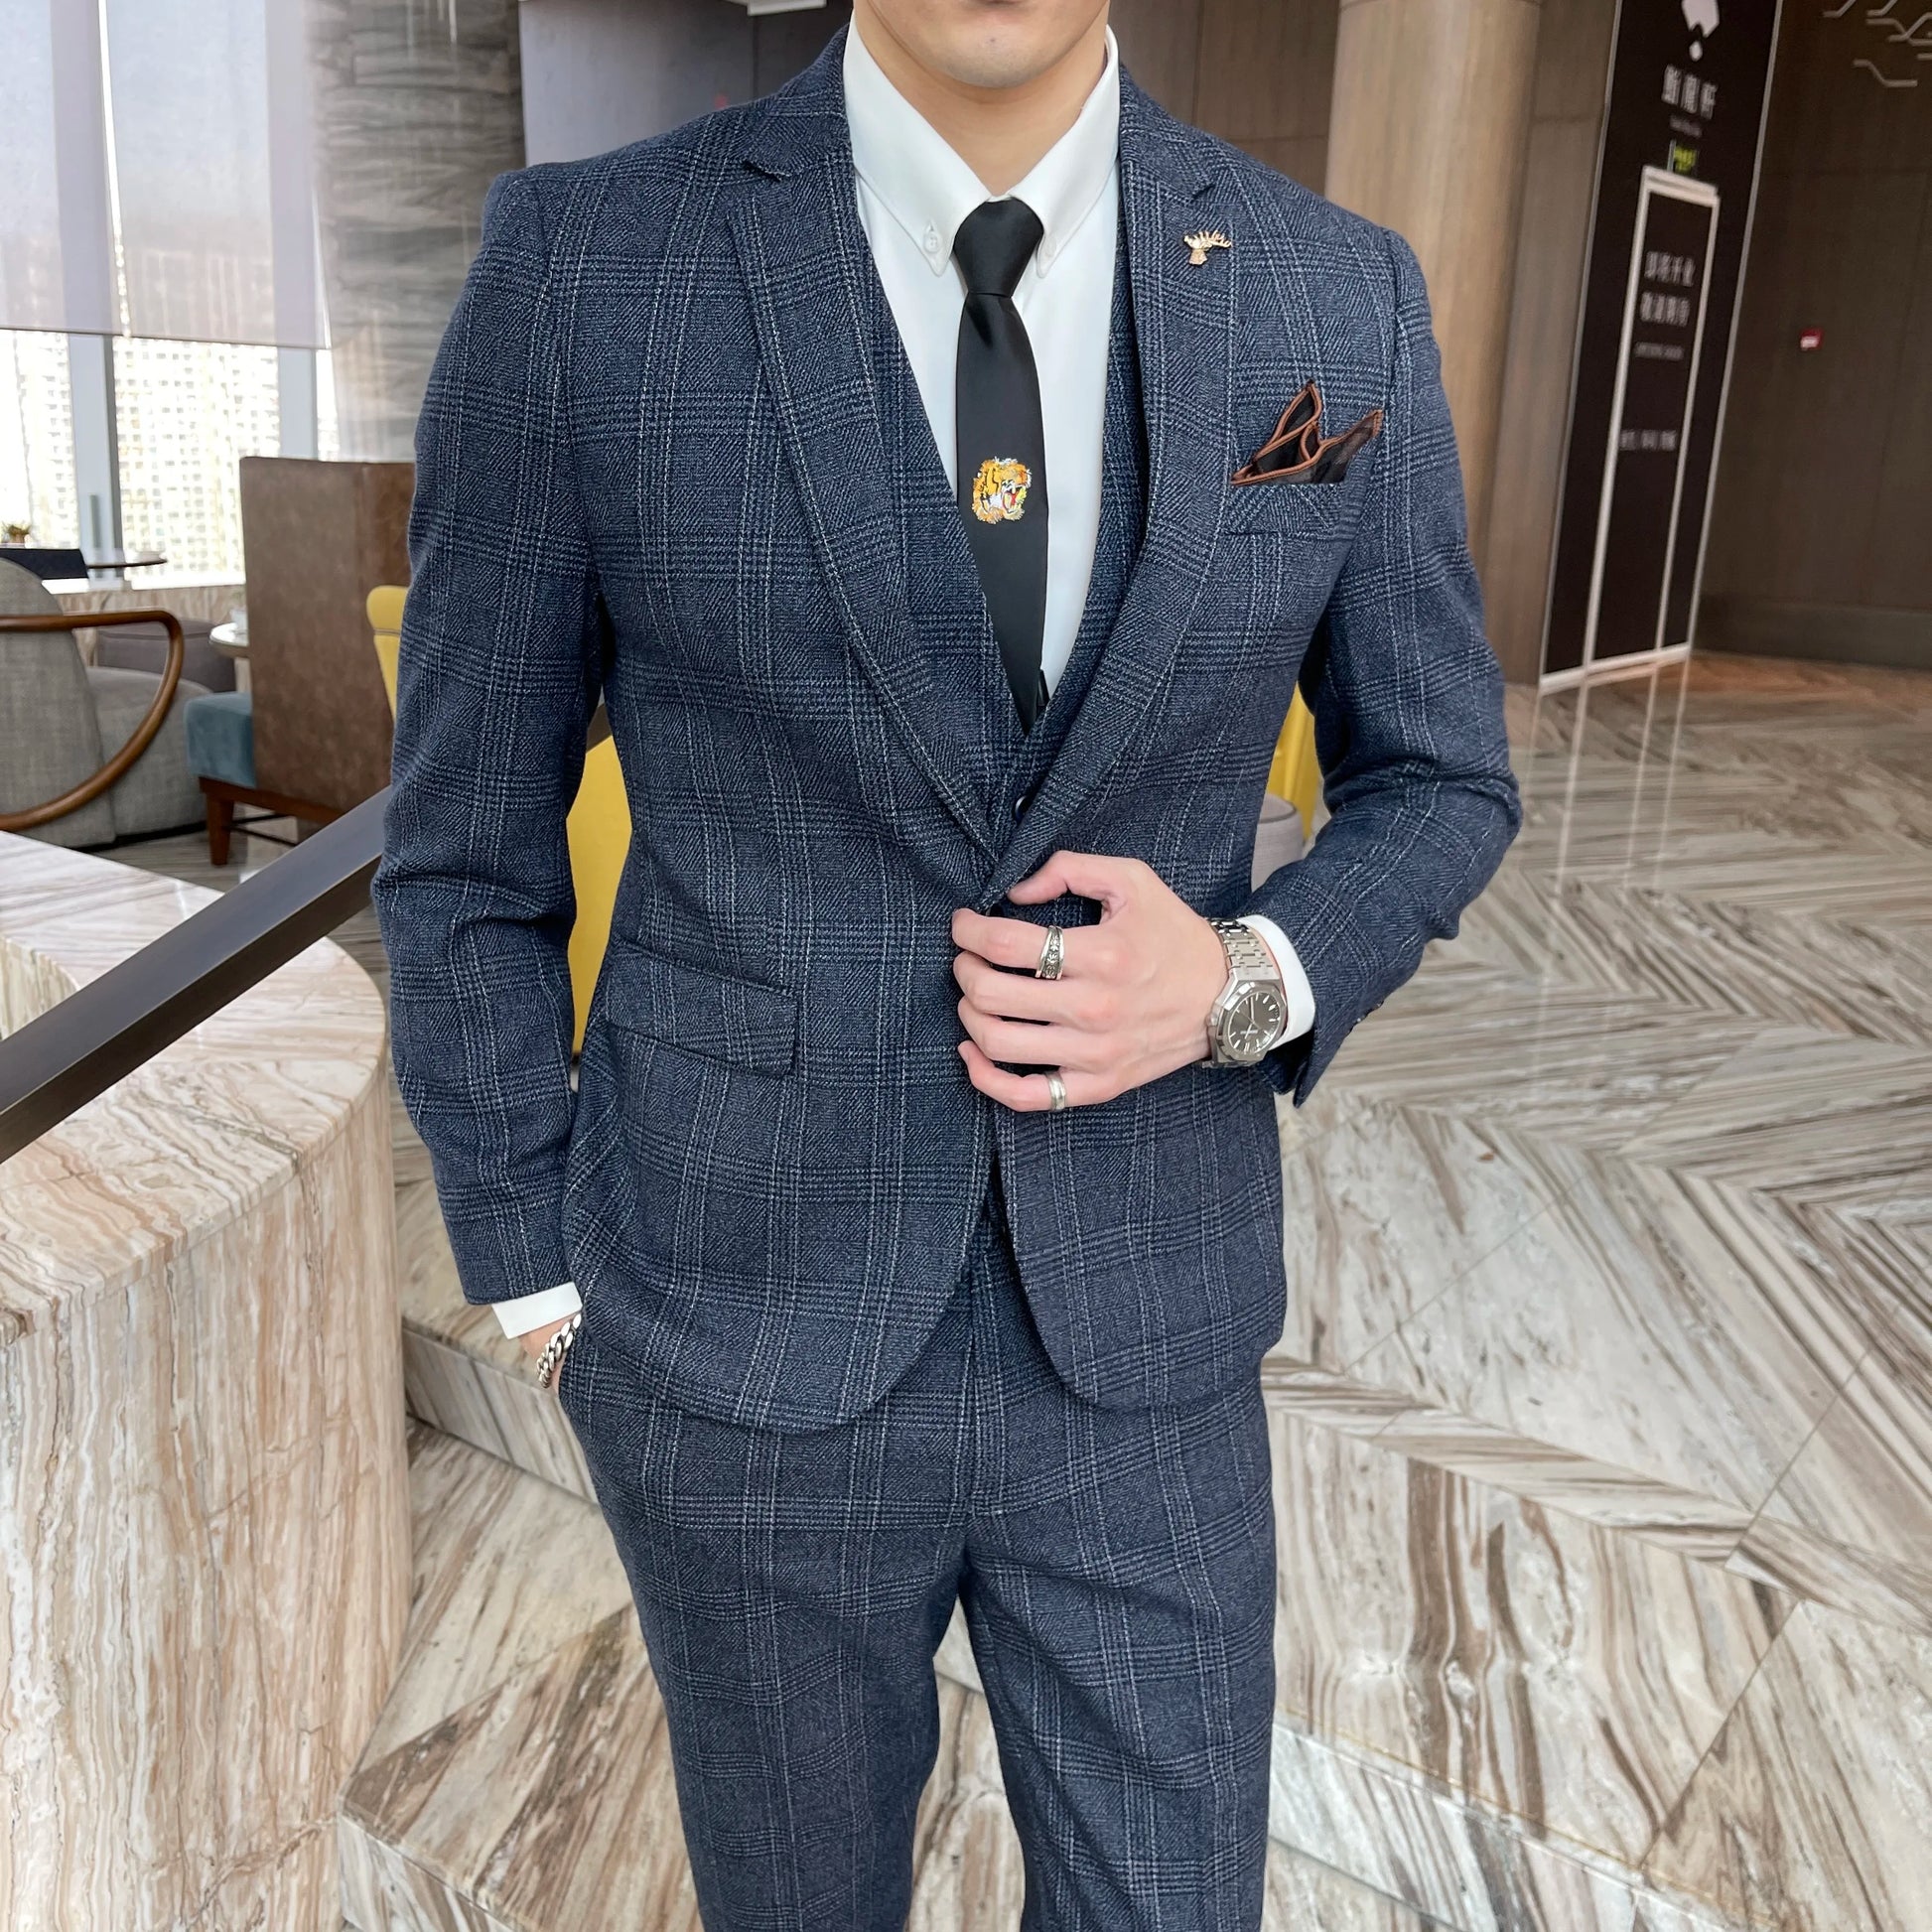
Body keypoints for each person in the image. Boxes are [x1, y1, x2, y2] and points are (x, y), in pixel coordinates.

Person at [373, 1, 1519, 1924]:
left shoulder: (1336, 294)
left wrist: (1243, 972)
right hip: (733, 1332)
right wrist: (539, 1286)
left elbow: (1441, 775)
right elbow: (464, 842)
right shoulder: (587, 271)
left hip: (1145, 1329)